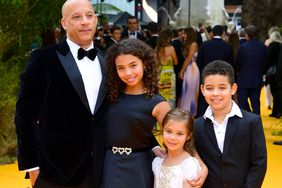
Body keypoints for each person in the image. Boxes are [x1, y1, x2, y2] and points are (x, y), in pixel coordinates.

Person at [14, 0, 107, 188]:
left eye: (89, 16)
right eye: (76, 17)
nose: (85, 21)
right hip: (55, 171)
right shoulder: (43, 58)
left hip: (102, 169)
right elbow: (25, 114)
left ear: (96, 20)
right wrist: (31, 165)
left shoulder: (107, 58)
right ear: (64, 23)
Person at [101, 38, 171, 188]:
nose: (128, 73)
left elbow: (178, 133)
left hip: (138, 166)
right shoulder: (110, 95)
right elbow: (124, 125)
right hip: (109, 163)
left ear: (145, 64)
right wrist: (153, 144)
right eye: (121, 68)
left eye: (133, 65)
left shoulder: (157, 103)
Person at [195, 60, 267, 187]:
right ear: (202, 90)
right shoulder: (197, 126)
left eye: (222, 88)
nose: (215, 93)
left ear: (233, 89)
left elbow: (259, 164)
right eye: (209, 88)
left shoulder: (252, 122)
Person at [152, 108, 203, 188]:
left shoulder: (189, 165)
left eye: (179, 133)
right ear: (162, 129)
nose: (172, 137)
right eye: (168, 131)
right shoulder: (158, 162)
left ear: (188, 136)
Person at [236, 24, 267, 115]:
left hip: (244, 79)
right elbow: (265, 63)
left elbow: (238, 64)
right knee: (256, 104)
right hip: (257, 79)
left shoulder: (242, 47)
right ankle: (256, 124)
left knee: (242, 104)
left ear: (246, 35)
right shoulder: (263, 47)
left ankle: (244, 124)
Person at [179, 27, 200, 117]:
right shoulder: (187, 44)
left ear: (189, 34)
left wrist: (181, 71)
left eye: (184, 33)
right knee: (186, 91)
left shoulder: (193, 44)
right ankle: (185, 113)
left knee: (190, 92)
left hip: (192, 69)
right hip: (189, 69)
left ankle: (190, 114)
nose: (183, 35)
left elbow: (188, 58)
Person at [155, 27, 178, 107]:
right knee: (170, 97)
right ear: (169, 37)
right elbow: (176, 62)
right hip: (169, 74)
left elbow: (156, 63)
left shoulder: (157, 49)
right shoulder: (171, 48)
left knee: (161, 95)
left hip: (160, 74)